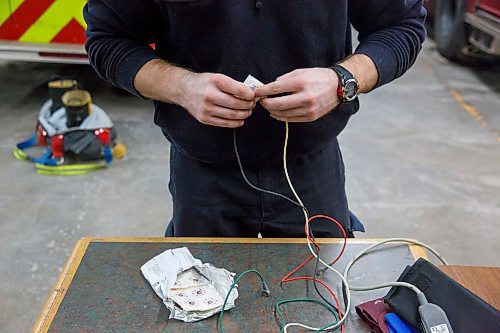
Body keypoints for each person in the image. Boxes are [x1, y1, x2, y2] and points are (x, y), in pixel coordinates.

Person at [84, 1, 426, 238]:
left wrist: (342, 80)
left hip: (311, 168)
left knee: (318, 303)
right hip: (204, 174)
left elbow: (401, 27)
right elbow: (109, 40)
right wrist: (182, 86)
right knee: (204, 309)